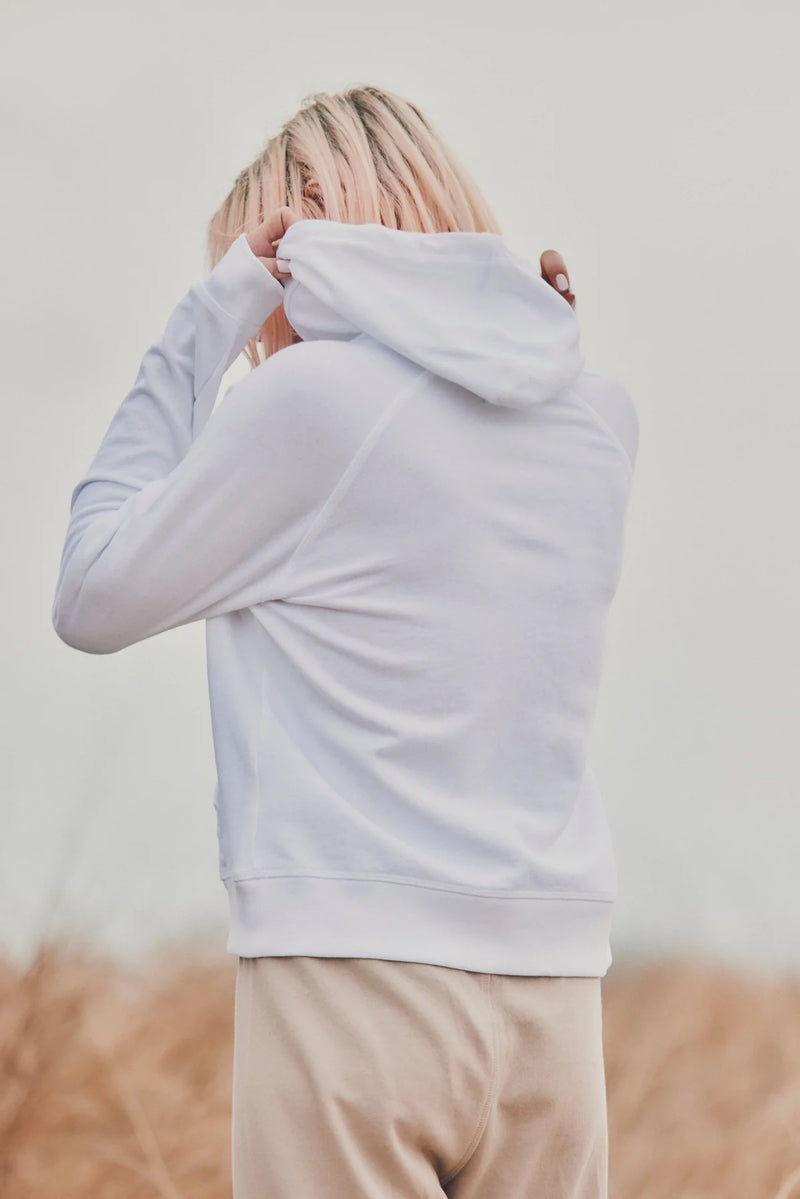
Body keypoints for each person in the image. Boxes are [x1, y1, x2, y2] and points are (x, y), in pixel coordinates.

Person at [51, 84, 638, 1199]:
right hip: (553, 991)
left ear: (301, 226)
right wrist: (523, 315)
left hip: (350, 974)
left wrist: (207, 318)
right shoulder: (597, 418)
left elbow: (89, 593)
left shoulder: (307, 406)